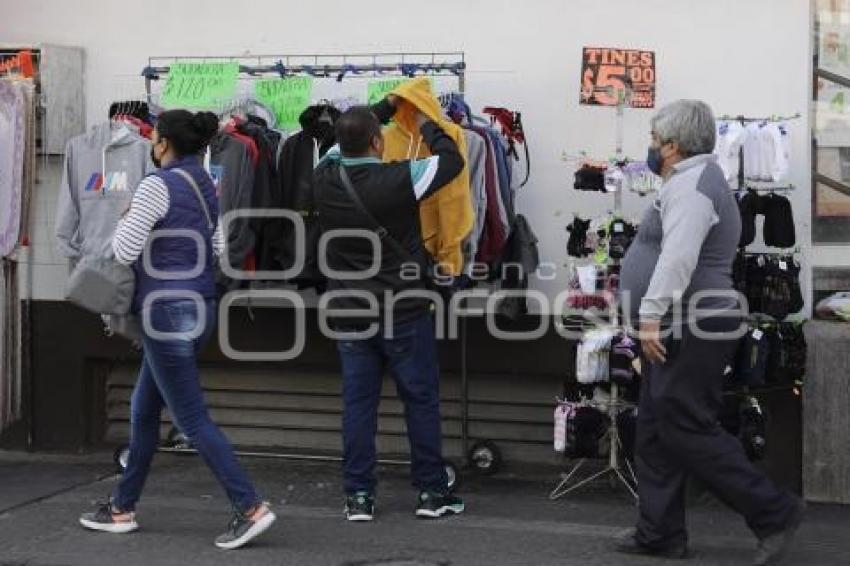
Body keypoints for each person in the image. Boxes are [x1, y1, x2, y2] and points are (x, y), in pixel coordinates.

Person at [616, 100, 804, 565]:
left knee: (687, 426)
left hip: (690, 321)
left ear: (673, 146)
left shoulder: (694, 186)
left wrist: (649, 318)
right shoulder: (692, 181)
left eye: (656, 141)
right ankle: (659, 533)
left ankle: (773, 512)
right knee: (656, 432)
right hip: (685, 320)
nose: (652, 148)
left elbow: (677, 256)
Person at [78, 109, 276, 550]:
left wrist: (128, 217)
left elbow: (124, 250)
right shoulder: (205, 183)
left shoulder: (155, 185)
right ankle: (121, 507)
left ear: (163, 143)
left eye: (155, 140)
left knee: (191, 418)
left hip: (166, 312)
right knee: (143, 410)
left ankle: (250, 507)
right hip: (200, 307)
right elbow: (220, 247)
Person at [313, 93, 465, 522]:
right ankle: (432, 493)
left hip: (349, 312)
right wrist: (425, 120)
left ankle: (358, 496)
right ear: (379, 143)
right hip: (403, 311)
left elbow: (336, 146)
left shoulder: (325, 176)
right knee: (420, 400)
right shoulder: (402, 178)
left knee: (357, 405)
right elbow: (451, 161)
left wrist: (381, 110)